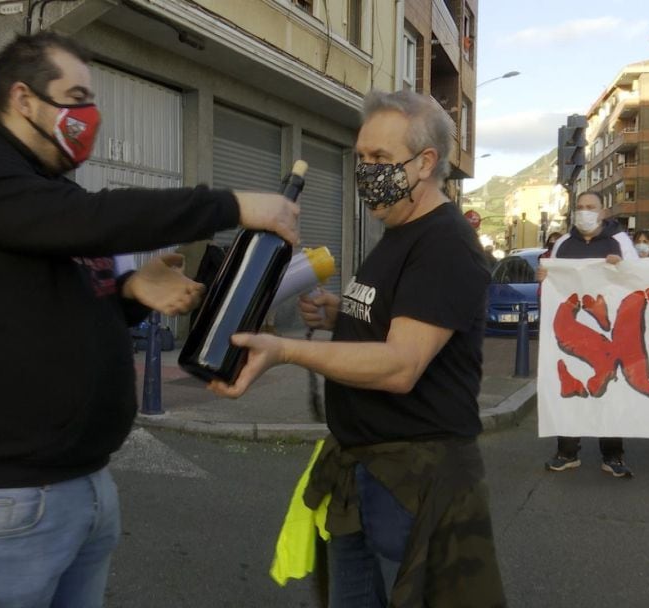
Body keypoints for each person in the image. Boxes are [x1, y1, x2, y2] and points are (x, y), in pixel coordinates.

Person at [0, 32, 299, 607]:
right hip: (7, 496)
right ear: (22, 99)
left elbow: (51, 301)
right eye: (75, 96)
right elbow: (93, 219)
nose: (88, 114)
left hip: (80, 482)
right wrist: (233, 206)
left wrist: (130, 290)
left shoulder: (40, 191)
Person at [209, 90, 505, 607]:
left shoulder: (445, 243)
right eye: (361, 158)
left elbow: (400, 364)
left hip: (414, 485)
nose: (366, 171)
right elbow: (387, 320)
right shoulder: (396, 229)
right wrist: (336, 315)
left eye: (381, 160)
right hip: (357, 472)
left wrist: (284, 350)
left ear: (426, 162)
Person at [537, 191, 639, 478]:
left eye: (590, 207)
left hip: (609, 331)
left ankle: (613, 455)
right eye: (580, 207)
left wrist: (622, 269)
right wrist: (544, 278)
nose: (584, 212)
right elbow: (551, 284)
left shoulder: (619, 242)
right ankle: (567, 452)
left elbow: (639, 278)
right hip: (571, 331)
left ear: (602, 211)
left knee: (610, 390)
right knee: (569, 386)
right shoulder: (563, 245)